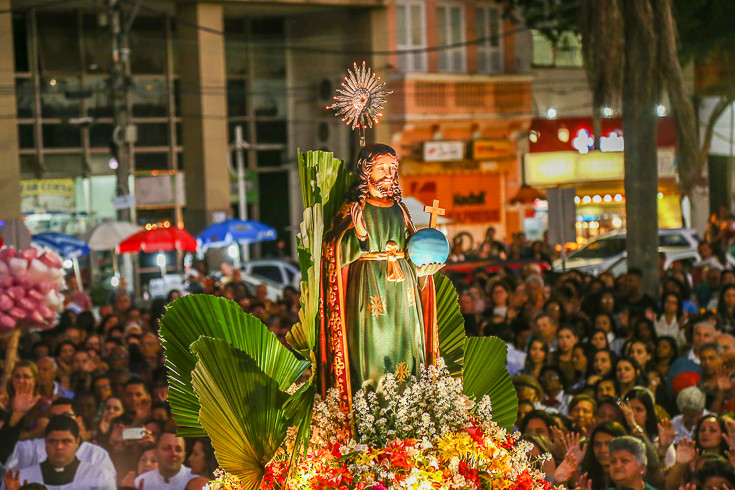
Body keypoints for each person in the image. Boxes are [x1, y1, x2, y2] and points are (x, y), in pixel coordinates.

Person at [318, 143, 441, 403]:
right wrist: (360, 236)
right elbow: (334, 252)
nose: (388, 174)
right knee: (375, 350)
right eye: (381, 168)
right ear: (366, 170)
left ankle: (409, 412)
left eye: (392, 168)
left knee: (407, 347)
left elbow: (413, 251)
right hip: (370, 283)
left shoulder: (401, 209)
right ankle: (374, 411)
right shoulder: (354, 208)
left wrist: (423, 272)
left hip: (404, 291)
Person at [2, 398, 113, 477]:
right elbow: (4, 454)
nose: (59, 420)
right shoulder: (32, 448)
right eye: (54, 417)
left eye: (66, 416)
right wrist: (17, 414)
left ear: (79, 421)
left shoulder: (96, 454)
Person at [9, 415, 115, 489]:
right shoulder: (22, 478)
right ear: (45, 442)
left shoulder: (100, 476)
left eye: (66, 441)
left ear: (77, 442)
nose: (59, 447)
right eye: (53, 441)